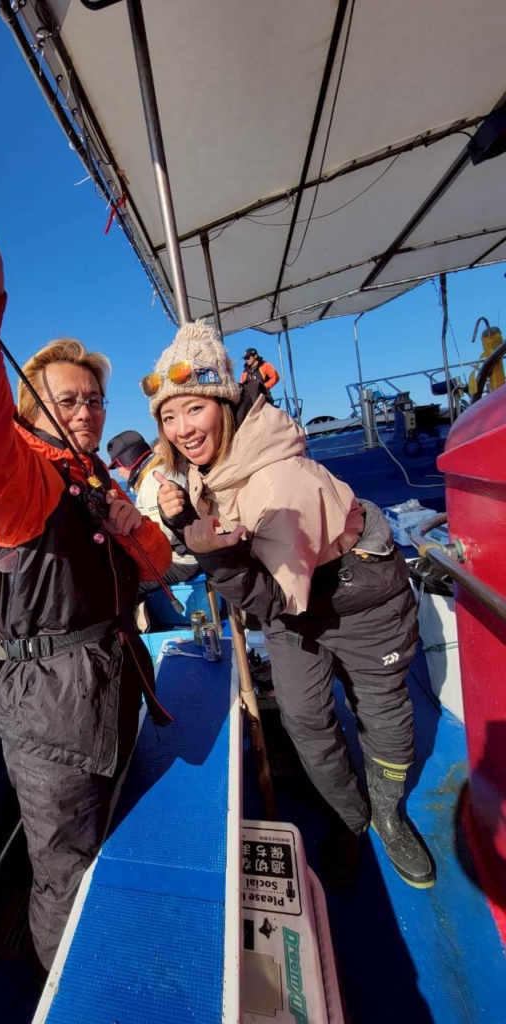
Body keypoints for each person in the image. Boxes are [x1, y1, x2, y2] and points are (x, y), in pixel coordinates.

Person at [0, 179, 173, 969]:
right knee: (64, 874)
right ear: (31, 408)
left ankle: (108, 950)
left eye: (96, 401)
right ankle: (68, 982)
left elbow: (156, 569)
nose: (86, 413)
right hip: (51, 719)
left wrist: (133, 527)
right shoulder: (25, 479)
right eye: (68, 401)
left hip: (115, 684)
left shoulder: (96, 479)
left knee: (111, 831)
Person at [147, 320, 435, 889]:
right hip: (292, 602)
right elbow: (238, 552)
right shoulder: (209, 466)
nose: (182, 429)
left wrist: (212, 557)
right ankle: (351, 817)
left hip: (360, 594)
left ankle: (389, 815)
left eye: (195, 409)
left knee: (383, 713)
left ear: (225, 406)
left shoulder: (278, 480)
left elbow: (274, 597)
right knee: (303, 716)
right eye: (169, 416)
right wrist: (183, 523)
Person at [107, 430, 200, 601]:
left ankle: (142, 616)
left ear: (128, 462)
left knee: (124, 585)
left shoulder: (151, 482)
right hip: (192, 552)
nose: (119, 473)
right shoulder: (162, 470)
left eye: (118, 466)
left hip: (182, 561)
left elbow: (163, 537)